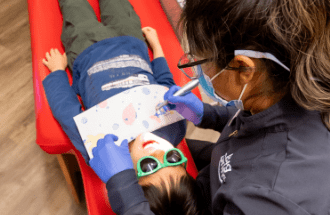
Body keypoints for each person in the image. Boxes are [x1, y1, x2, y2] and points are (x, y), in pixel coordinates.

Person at [92, 0, 330, 214]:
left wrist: (123, 186)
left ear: (243, 69)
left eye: (199, 61)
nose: (199, 69)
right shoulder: (288, 79)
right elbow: (257, 126)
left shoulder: (275, 200)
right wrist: (207, 115)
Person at [41, 0, 207, 214]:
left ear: (128, 178)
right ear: (182, 162)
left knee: (73, 5)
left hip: (86, 49)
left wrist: (57, 73)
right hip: (132, 41)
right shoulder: (174, 128)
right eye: (172, 159)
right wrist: (156, 49)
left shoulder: (103, 152)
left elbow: (67, 111)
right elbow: (164, 82)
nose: (156, 151)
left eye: (148, 166)